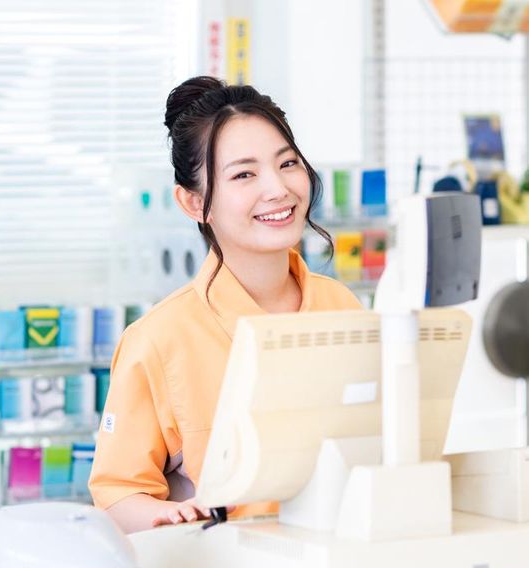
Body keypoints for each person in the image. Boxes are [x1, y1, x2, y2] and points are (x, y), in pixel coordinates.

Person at [88, 76, 362, 533]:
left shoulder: (343, 307)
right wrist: (167, 515)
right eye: (243, 175)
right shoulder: (158, 339)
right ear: (195, 202)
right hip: (224, 565)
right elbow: (117, 495)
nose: (278, 188)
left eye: (288, 163)